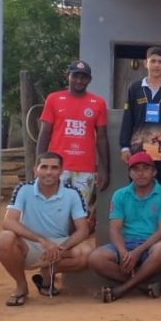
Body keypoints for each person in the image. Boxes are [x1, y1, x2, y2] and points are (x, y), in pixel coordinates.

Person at [0, 152, 93, 306]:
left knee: (87, 253)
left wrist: (61, 248)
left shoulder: (72, 193)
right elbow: (9, 222)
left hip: (60, 243)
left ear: (61, 171)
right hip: (30, 244)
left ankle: (47, 275)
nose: (49, 172)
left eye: (54, 168)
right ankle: (21, 286)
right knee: (5, 238)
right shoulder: (23, 189)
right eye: (44, 167)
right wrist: (42, 241)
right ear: (36, 169)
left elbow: (83, 230)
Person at [88, 152, 161, 302]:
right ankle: (143, 286)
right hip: (126, 243)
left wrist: (137, 252)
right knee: (96, 258)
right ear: (129, 173)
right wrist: (123, 253)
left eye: (145, 169)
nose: (140, 173)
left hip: (151, 245)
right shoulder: (120, 195)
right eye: (135, 169)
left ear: (154, 171)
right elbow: (115, 228)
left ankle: (122, 289)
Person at [36, 60, 110, 217]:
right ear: (67, 76)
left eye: (84, 77)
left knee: (78, 213)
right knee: (51, 208)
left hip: (85, 168)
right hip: (56, 167)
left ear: (89, 80)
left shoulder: (98, 103)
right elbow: (44, 133)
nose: (79, 80)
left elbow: (102, 138)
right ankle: (51, 241)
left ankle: (72, 242)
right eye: (75, 76)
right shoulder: (53, 99)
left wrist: (104, 168)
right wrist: (39, 163)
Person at [118, 46, 161, 199]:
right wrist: (124, 146)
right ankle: (138, 223)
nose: (156, 65)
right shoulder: (135, 88)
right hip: (139, 152)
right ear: (146, 63)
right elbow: (128, 117)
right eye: (153, 61)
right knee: (138, 193)